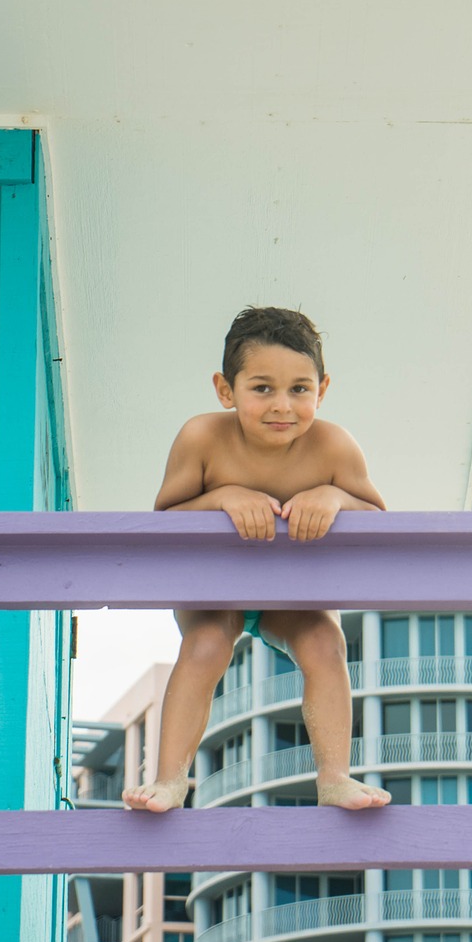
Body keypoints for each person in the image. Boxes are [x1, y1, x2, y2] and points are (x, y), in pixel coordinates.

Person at [123, 306, 391, 813]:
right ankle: (171, 780)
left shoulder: (335, 446)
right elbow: (167, 515)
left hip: (294, 592)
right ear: (226, 390)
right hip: (214, 590)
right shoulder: (201, 437)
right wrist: (224, 495)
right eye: (262, 388)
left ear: (323, 388)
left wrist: (333, 497)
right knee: (204, 646)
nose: (282, 405)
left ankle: (335, 777)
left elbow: (375, 512)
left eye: (300, 389)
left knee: (326, 643)